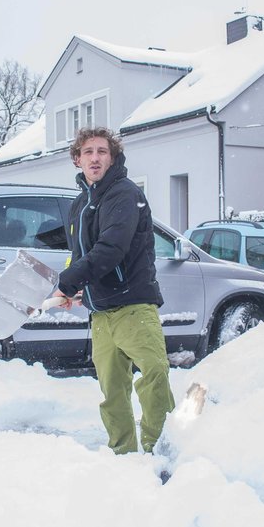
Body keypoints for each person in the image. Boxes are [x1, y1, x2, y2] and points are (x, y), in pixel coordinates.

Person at [52, 127, 175, 455]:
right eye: (88, 152)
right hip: (101, 314)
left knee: (153, 379)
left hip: (133, 305)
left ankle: (160, 453)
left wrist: (68, 281)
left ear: (113, 157)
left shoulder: (123, 193)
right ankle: (122, 456)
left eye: (102, 151)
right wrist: (74, 291)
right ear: (77, 160)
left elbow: (111, 250)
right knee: (113, 393)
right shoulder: (80, 204)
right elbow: (80, 254)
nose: (95, 157)